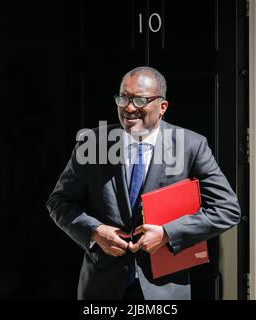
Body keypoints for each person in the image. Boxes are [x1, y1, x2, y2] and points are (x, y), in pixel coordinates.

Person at [46, 66, 241, 300]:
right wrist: (94, 231)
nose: (129, 108)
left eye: (140, 100)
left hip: (164, 291)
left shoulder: (191, 145)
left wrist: (168, 233)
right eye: (123, 98)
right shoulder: (93, 144)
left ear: (162, 107)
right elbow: (58, 201)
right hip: (102, 288)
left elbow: (227, 209)